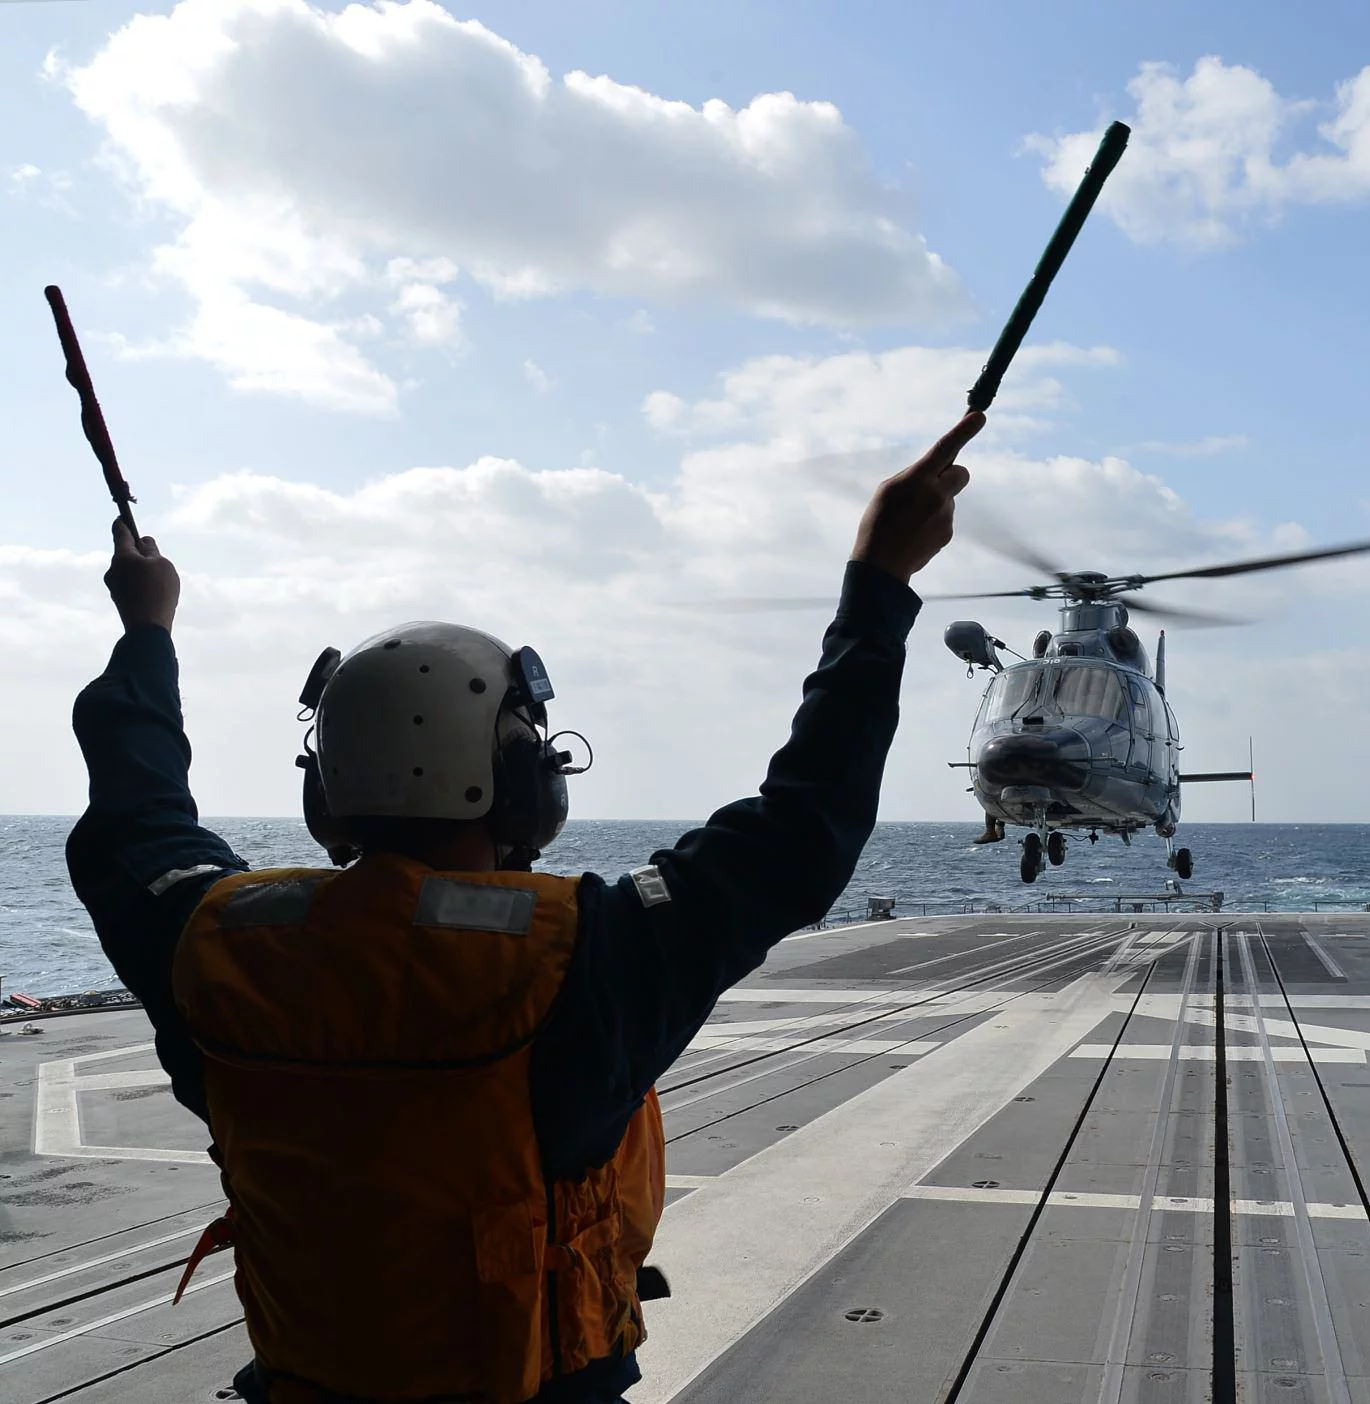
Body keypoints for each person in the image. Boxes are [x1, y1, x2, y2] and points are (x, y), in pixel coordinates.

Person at [64, 410, 984, 1404]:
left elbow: (135, 814)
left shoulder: (207, 942)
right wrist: (882, 579)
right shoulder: (587, 954)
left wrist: (145, 635)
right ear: (518, 783)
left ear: (324, 791)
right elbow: (806, 825)